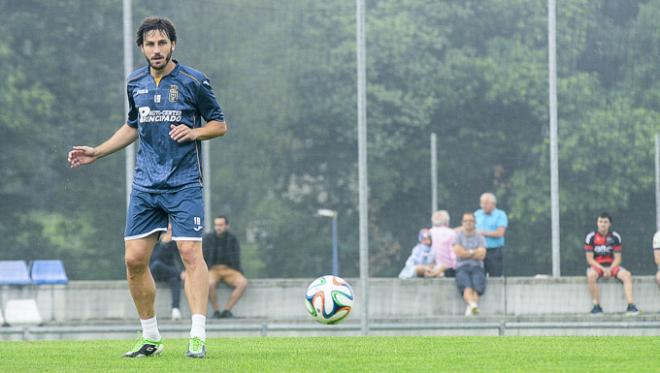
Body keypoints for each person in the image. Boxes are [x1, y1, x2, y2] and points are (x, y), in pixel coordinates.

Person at [67, 17, 227, 358]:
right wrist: (97, 151)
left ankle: (197, 334)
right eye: (150, 44)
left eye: (162, 43)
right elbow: (133, 126)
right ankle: (150, 336)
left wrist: (195, 132)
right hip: (146, 184)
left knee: (188, 252)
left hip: (185, 182)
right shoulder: (135, 81)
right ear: (142, 47)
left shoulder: (194, 81)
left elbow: (219, 124)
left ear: (173, 45)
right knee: (134, 260)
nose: (157, 50)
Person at [584, 213, 639, 316]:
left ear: (610, 224)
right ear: (597, 223)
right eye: (600, 222)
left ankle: (631, 306)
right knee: (591, 276)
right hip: (597, 266)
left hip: (612, 265)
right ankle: (596, 307)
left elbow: (618, 258)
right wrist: (603, 270)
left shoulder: (615, 237)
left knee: (627, 275)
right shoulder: (590, 237)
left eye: (605, 222)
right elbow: (590, 260)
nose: (602, 224)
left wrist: (609, 269)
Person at [203, 216, 248, 318]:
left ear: (227, 226)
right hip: (213, 269)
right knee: (209, 284)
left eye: (221, 225)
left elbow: (236, 257)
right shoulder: (208, 238)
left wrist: (240, 272)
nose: (218, 227)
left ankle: (227, 310)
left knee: (243, 282)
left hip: (229, 270)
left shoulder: (232, 239)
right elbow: (204, 256)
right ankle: (216, 311)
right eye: (216, 225)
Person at [453, 212, 487, 316]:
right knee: (466, 287)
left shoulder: (480, 237)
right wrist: (473, 252)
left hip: (477, 267)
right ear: (462, 223)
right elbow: (459, 253)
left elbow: (482, 255)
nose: (468, 223)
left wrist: (466, 252)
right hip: (462, 267)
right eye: (466, 221)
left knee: (477, 289)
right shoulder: (457, 237)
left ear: (475, 223)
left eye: (471, 221)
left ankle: (471, 308)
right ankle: (473, 306)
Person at [149, 225, 183, 320]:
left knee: (175, 280)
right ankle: (177, 274)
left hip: (168, 273)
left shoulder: (175, 244)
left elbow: (179, 259)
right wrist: (163, 244)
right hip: (154, 273)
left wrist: (183, 271)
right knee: (157, 264)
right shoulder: (154, 242)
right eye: (168, 230)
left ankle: (175, 309)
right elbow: (154, 260)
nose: (170, 233)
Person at [475, 192, 508, 277]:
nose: (483, 206)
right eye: (482, 203)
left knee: (495, 276)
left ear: (493, 204)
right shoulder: (477, 214)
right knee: (478, 276)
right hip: (479, 250)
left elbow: (500, 233)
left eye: (486, 203)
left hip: (494, 250)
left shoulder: (500, 215)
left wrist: (483, 232)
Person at [426, 210, 456, 278]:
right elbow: (453, 254)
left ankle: (435, 273)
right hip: (448, 267)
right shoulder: (451, 233)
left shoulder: (430, 232)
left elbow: (429, 252)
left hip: (432, 266)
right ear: (447, 222)